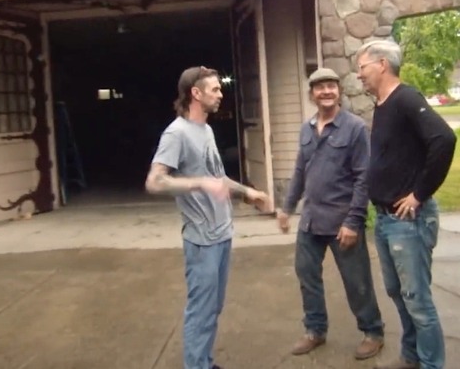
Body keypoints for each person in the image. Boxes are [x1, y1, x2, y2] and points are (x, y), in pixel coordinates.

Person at [145, 66, 272, 369]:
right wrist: (198, 183)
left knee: (213, 308)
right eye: (214, 89)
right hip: (201, 240)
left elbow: (217, 177)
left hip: (222, 234)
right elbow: (155, 181)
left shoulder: (207, 130)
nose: (220, 93)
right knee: (200, 310)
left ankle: (204, 361)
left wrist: (246, 192)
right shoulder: (176, 133)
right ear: (196, 93)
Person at [355, 40, 457, 369]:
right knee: (398, 294)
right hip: (386, 220)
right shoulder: (383, 104)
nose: (359, 76)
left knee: (418, 302)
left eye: (362, 68)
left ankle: (430, 364)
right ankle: (411, 356)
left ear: (382, 64)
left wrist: (418, 194)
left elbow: (444, 139)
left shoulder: (406, 99)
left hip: (409, 222)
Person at [276, 68, 386, 360]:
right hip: (311, 220)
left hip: (342, 222)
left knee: (356, 280)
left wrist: (354, 221)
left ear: (339, 91)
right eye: (319, 87)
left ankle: (373, 332)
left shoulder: (355, 128)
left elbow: (364, 178)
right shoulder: (306, 128)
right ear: (312, 94)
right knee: (307, 275)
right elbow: (300, 171)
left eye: (331, 86)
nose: (326, 91)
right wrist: (287, 208)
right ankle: (315, 330)